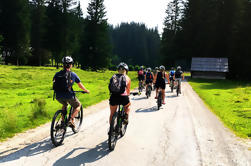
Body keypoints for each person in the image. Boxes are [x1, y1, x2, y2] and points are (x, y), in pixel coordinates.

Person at [53, 56, 90, 128]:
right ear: (71, 65)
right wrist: (86, 90)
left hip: (58, 96)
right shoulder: (73, 74)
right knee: (78, 105)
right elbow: (80, 85)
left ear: (63, 64)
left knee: (64, 105)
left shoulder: (57, 74)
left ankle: (63, 122)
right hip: (69, 95)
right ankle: (71, 119)